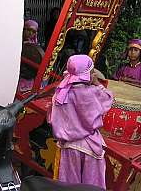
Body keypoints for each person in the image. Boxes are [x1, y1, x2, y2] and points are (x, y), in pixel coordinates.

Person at [47, 55, 113, 189]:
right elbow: (109, 98)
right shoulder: (93, 93)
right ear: (88, 74)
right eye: (92, 70)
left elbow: (51, 119)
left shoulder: (60, 94)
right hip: (90, 147)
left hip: (69, 147)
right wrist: (97, 84)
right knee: (91, 186)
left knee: (69, 186)